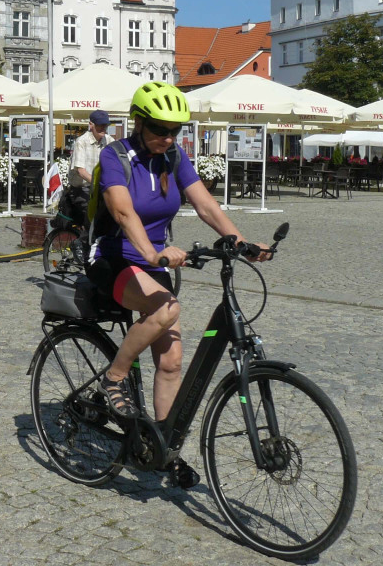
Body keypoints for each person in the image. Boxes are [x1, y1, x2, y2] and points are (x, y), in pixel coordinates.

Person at [87, 81, 271, 489]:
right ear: (138, 123)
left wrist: (239, 241)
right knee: (167, 308)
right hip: (114, 258)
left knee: (171, 363)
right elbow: (120, 210)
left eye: (175, 129)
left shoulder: (173, 155)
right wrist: (153, 254)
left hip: (153, 262)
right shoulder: (116, 155)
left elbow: (204, 202)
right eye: (159, 128)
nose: (168, 137)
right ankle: (114, 378)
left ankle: (164, 450)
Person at [65, 109, 110, 225]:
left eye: (106, 125)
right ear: (91, 125)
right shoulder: (82, 142)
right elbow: (81, 171)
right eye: (100, 125)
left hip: (100, 188)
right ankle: (85, 240)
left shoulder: (110, 141)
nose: (104, 128)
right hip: (81, 189)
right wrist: (98, 184)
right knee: (93, 215)